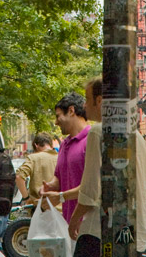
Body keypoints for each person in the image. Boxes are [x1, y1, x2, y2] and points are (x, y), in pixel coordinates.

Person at [67, 79, 146, 257]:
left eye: (87, 98)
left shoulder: (98, 132)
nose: (84, 104)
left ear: (99, 101)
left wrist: (75, 219)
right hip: (131, 234)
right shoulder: (140, 139)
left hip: (99, 232)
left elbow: (91, 188)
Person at [40, 92, 90, 222]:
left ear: (71, 111)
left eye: (58, 116)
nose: (56, 122)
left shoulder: (92, 140)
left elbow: (92, 186)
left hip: (88, 224)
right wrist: (51, 185)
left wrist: (60, 197)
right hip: (68, 223)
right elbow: (59, 176)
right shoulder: (64, 144)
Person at [15, 133, 57, 204]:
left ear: (36, 145)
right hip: (61, 207)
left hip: (40, 207)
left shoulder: (34, 158)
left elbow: (18, 177)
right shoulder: (62, 157)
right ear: (51, 145)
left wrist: (26, 198)